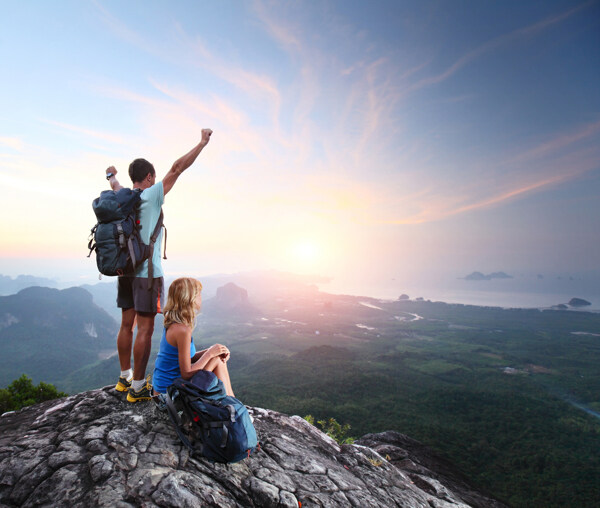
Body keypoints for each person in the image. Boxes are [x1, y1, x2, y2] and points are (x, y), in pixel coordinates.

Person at [107, 129, 213, 402]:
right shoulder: (152, 194)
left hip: (125, 271)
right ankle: (139, 387)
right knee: (145, 329)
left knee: (125, 325)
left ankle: (124, 377)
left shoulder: (123, 197)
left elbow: (114, 185)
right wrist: (201, 142)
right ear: (150, 177)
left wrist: (111, 176)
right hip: (147, 274)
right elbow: (178, 168)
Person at [152, 277, 235, 397]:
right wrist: (210, 354)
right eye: (199, 294)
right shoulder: (182, 330)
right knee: (217, 360)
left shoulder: (173, 322)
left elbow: (188, 358)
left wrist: (214, 350)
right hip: (169, 394)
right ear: (189, 298)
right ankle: (233, 405)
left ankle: (233, 403)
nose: (201, 297)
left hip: (163, 390)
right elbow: (186, 373)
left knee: (217, 357)